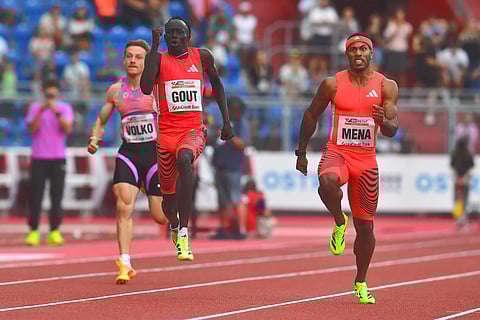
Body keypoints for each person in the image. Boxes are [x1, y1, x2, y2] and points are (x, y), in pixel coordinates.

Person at [295, 33, 400, 304]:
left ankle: (361, 281)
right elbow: (311, 114)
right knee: (327, 181)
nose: (358, 53)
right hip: (338, 152)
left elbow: (392, 129)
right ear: (347, 55)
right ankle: (340, 221)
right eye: (353, 49)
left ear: (371, 53)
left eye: (363, 48)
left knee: (366, 228)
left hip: (366, 160)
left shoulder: (386, 86)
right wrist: (301, 152)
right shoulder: (332, 84)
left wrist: (384, 122)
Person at [140, 16, 234, 261]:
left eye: (178, 33)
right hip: (166, 135)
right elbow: (145, 86)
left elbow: (218, 86)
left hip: (192, 129)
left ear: (188, 36)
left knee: (185, 158)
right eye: (169, 32)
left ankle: (184, 232)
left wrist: (226, 120)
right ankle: (173, 224)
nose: (173, 36)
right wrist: (153, 46)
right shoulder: (159, 59)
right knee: (168, 204)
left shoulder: (202, 57)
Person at [88, 40, 168, 284]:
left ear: (146, 62)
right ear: (123, 61)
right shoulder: (115, 91)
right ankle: (125, 263)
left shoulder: (156, 89)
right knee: (124, 207)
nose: (133, 61)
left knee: (160, 218)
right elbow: (101, 119)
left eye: (138, 57)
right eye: (129, 56)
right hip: (129, 154)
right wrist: (95, 137)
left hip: (155, 155)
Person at [24, 79, 74, 247]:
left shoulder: (64, 108)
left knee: (56, 196)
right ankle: (33, 231)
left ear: (57, 93)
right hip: (39, 157)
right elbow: (32, 129)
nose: (50, 97)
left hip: (57, 158)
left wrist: (55, 111)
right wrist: (41, 111)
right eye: (47, 95)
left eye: (52, 95)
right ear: (43, 93)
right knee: (35, 196)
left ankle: (54, 231)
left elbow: (67, 129)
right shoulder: (35, 108)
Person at [210, 96, 250, 240]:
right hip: (220, 166)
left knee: (235, 198)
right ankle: (223, 228)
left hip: (233, 167)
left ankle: (241, 229)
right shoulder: (223, 122)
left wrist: (230, 135)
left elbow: (242, 144)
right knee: (222, 201)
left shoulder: (241, 124)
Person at [450, 137, 475, 230]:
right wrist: (464, 178)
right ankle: (464, 219)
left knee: (457, 200)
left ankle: (459, 219)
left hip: (457, 180)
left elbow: (452, 166)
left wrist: (457, 177)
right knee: (464, 200)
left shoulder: (454, 154)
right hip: (466, 180)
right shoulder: (468, 154)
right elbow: (470, 167)